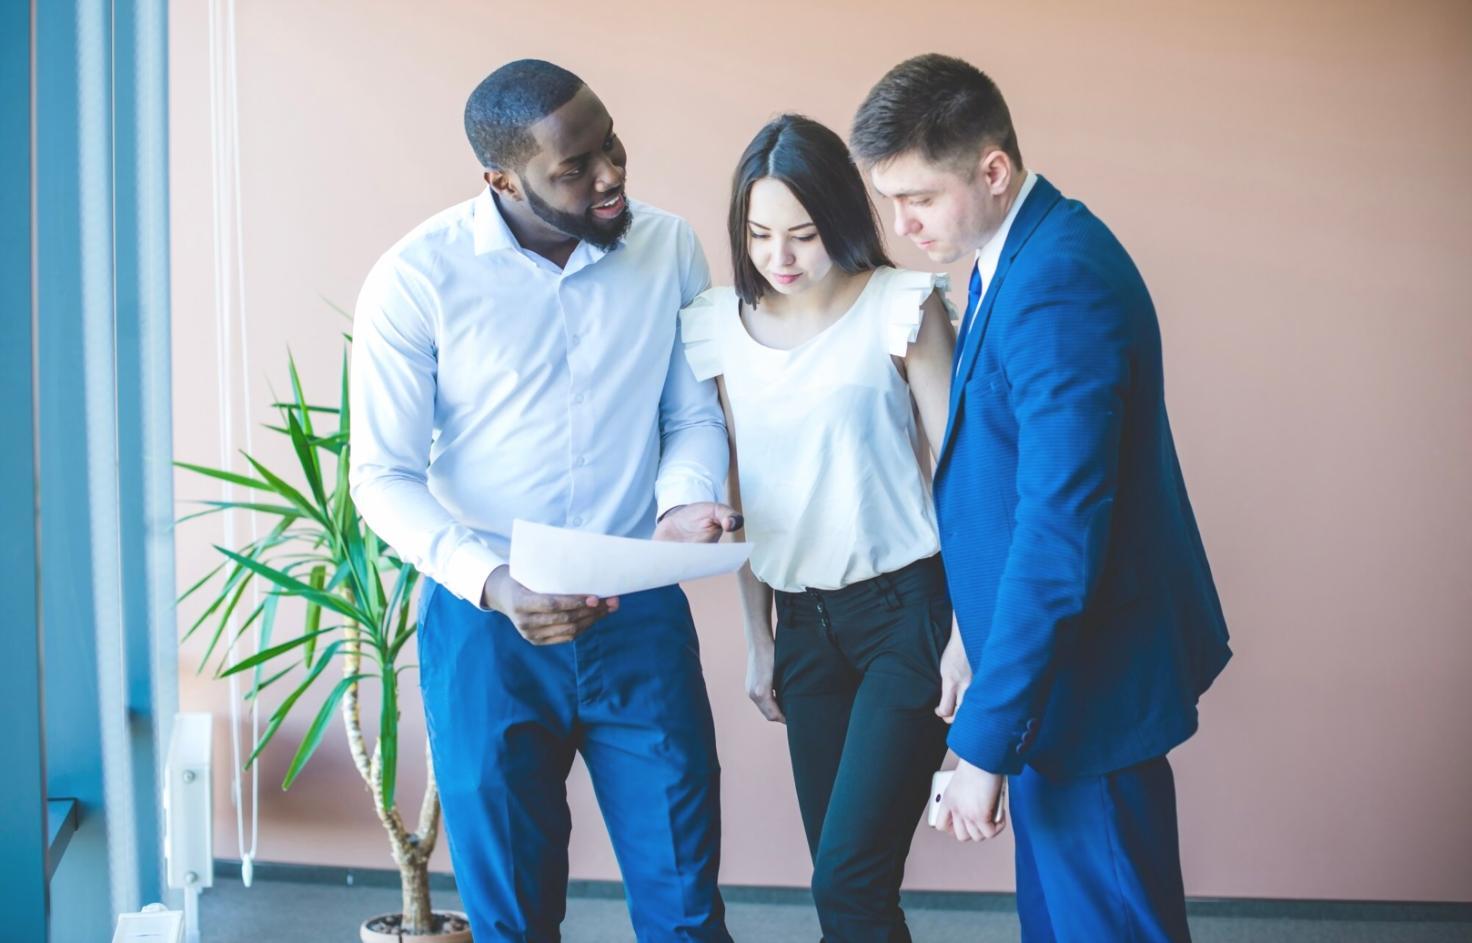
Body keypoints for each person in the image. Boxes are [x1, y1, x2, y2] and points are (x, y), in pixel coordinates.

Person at [350, 59, 739, 942]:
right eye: (575, 167)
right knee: (512, 919)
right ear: (501, 178)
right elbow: (381, 475)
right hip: (488, 629)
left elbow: (690, 413)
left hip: (638, 615)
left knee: (686, 907)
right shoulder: (417, 279)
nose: (610, 176)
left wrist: (682, 502)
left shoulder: (669, 246)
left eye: (612, 144)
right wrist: (493, 583)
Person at [852, 54, 1233, 942]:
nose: (903, 227)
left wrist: (985, 739)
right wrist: (972, 645)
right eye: (888, 203)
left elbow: (1057, 533)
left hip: (1084, 693)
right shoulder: (1010, 253)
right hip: (1052, 683)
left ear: (992, 170)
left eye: (919, 198)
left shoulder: (1056, 281)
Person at [678, 114, 963, 942]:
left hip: (905, 615)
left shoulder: (900, 305)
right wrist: (757, 637)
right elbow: (737, 484)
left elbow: (960, 475)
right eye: (760, 234)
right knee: (846, 888)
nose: (780, 257)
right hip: (802, 626)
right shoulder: (721, 323)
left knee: (848, 879)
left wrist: (969, 634)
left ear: (839, 215)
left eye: (802, 233)